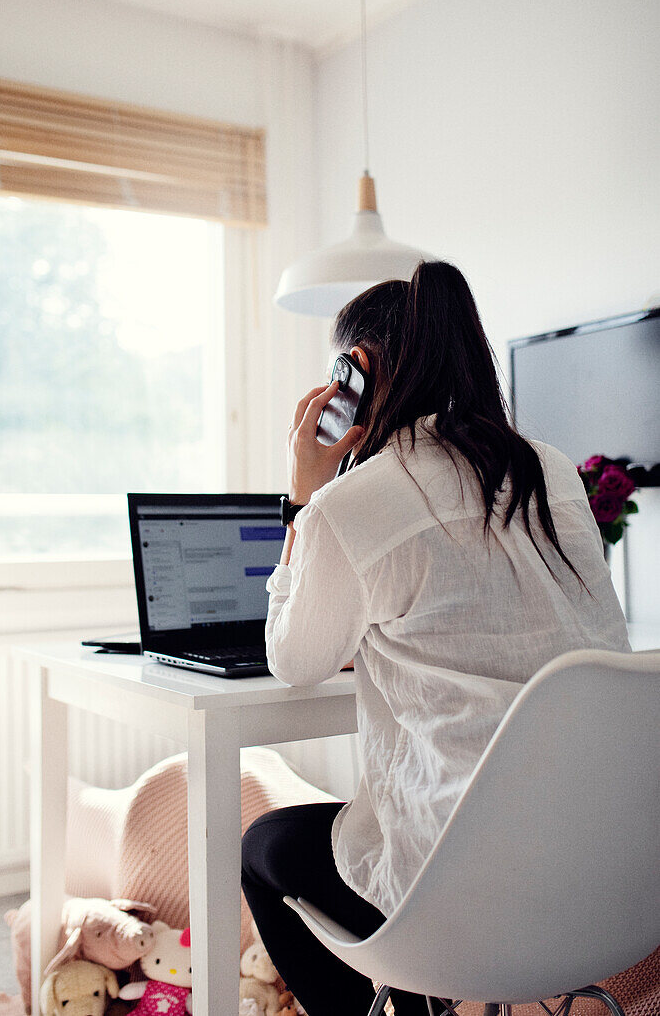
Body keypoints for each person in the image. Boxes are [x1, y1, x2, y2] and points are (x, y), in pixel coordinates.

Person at [241, 261, 630, 1016]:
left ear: (354, 372)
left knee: (266, 847)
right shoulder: (550, 470)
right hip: (603, 882)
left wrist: (302, 496)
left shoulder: (354, 501)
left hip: (461, 898)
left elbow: (291, 660)